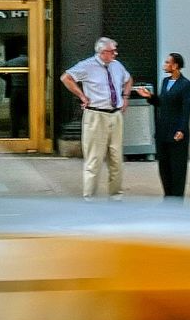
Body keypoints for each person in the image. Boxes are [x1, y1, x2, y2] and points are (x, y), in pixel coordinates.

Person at [61, 37, 144, 200]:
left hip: (115, 114)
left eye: (115, 50)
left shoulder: (116, 65)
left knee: (116, 156)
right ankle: (89, 195)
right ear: (102, 52)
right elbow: (66, 78)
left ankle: (116, 194)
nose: (115, 54)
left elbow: (128, 79)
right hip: (96, 114)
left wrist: (125, 97)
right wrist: (82, 96)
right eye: (112, 51)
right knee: (94, 157)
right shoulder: (87, 65)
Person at [151, 52, 190, 198]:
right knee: (164, 167)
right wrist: (150, 97)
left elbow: (185, 109)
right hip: (163, 131)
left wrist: (182, 129)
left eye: (168, 62)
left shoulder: (186, 85)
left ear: (175, 66)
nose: (165, 65)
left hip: (176, 132)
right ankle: (167, 197)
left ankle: (177, 199)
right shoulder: (165, 82)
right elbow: (162, 103)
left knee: (177, 168)